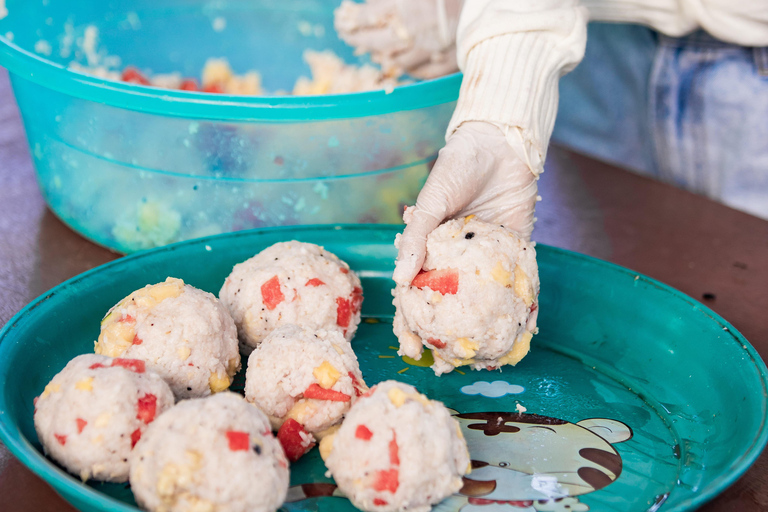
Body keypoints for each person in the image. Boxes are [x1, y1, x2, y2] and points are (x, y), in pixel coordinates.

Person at [334, 0, 768, 286]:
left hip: (751, 69)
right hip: (590, 45)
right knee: (606, 292)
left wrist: (503, 38)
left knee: (744, 294)